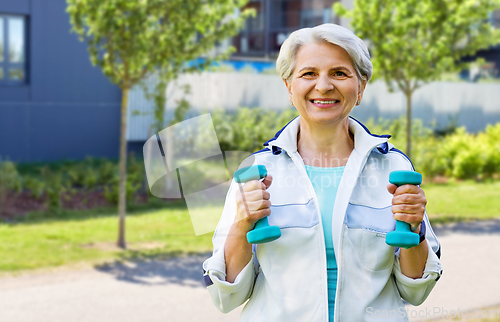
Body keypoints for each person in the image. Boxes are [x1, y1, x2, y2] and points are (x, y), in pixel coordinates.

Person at [202, 23, 443, 321]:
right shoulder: (254, 172)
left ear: (361, 87)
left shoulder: (395, 168)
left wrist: (415, 229)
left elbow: (416, 292)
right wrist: (241, 225)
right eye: (309, 74)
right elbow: (226, 297)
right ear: (290, 87)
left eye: (339, 73)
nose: (324, 86)